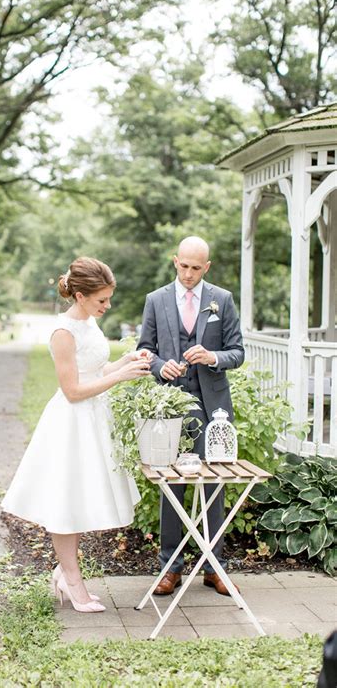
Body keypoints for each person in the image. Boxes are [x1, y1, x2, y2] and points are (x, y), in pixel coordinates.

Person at [1, 257, 151, 613]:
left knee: (81, 501)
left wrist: (127, 362)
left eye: (108, 298)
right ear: (80, 296)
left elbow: (96, 369)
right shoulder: (63, 333)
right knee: (67, 505)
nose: (107, 305)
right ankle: (72, 580)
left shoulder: (89, 323)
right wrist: (118, 378)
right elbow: (73, 390)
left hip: (95, 421)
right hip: (71, 424)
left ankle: (64, 573)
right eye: (102, 300)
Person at [137, 236, 244, 596]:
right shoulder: (156, 300)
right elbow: (144, 350)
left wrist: (213, 357)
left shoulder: (222, 300)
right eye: (183, 265)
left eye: (196, 268)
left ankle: (215, 567)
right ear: (175, 261)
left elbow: (237, 352)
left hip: (214, 405)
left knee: (214, 483)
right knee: (172, 485)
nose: (188, 273)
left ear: (207, 268)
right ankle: (171, 567)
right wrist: (158, 365)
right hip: (170, 406)